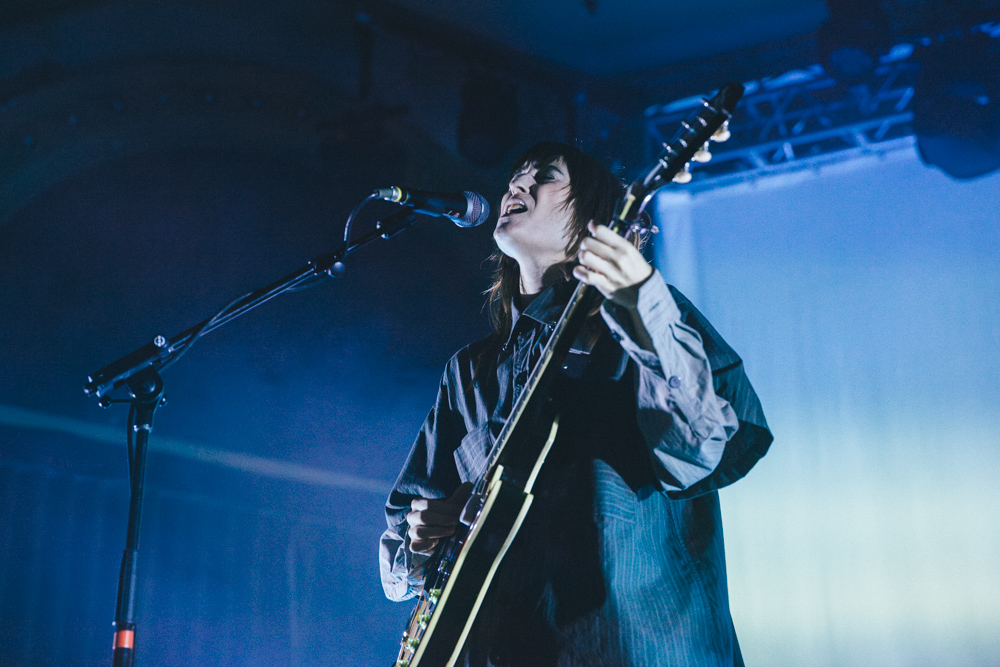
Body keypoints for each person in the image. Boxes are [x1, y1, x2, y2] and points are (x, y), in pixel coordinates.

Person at [379, 141, 772, 666]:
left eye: (542, 176)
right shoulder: (468, 372)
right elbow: (401, 548)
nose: (516, 185)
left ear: (594, 221)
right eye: (514, 177)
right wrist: (424, 537)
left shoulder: (649, 320)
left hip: (634, 646)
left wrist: (642, 302)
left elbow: (702, 445)